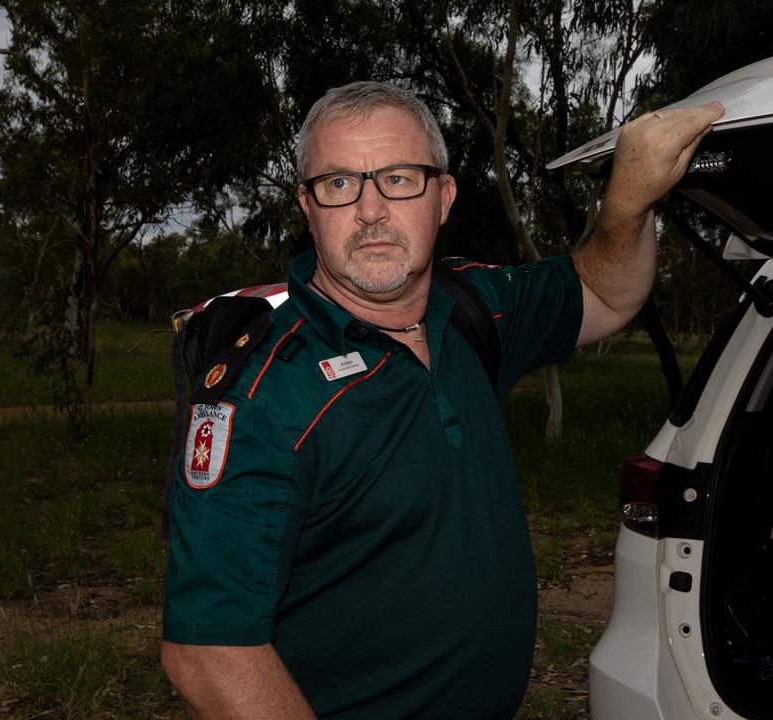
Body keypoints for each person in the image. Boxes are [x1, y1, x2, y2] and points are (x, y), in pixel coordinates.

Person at [160, 80, 723, 719]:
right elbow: (208, 651)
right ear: (307, 207)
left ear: (444, 196)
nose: (371, 209)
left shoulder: (472, 308)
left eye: (399, 178)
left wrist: (625, 205)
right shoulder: (263, 390)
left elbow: (606, 292)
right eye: (339, 184)